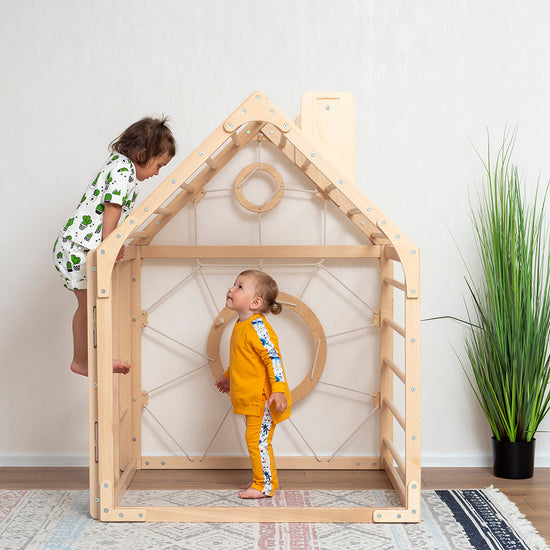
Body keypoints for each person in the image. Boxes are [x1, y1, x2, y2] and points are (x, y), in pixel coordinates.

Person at [53, 117, 176, 376]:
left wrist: (113, 243)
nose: (156, 173)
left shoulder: (120, 166)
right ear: (142, 154)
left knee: (90, 306)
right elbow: (113, 208)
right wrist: (108, 246)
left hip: (77, 246)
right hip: (76, 248)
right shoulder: (122, 170)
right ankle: (83, 361)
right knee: (90, 306)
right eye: (158, 165)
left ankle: (87, 360)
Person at [215, 270, 292, 499]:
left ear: (256, 302)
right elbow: (244, 358)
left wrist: (278, 391)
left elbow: (274, 359)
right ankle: (267, 480)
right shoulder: (241, 325)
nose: (231, 289)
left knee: (257, 442)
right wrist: (228, 376)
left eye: (239, 287)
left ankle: (263, 485)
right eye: (233, 284)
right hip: (250, 398)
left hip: (264, 400)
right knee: (257, 441)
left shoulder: (258, 328)